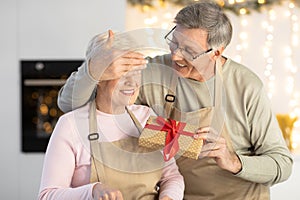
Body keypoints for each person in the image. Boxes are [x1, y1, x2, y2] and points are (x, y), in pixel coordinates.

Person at [57, 1, 293, 199]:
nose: (176, 55)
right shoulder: (156, 71)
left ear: (216, 53)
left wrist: (234, 161)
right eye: (174, 42)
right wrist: (95, 68)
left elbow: (282, 164)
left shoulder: (246, 87)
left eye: (188, 50)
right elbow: (72, 107)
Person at [38, 33, 185, 200]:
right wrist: (92, 191)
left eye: (136, 72)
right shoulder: (70, 125)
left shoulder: (146, 116)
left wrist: (168, 197)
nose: (132, 82)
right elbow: (48, 196)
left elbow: (172, 176)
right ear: (98, 77)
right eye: (122, 73)